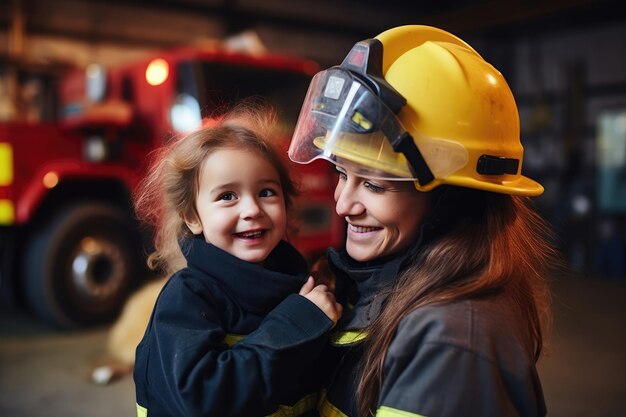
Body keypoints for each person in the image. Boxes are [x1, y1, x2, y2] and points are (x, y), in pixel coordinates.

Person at [288, 25, 562, 417]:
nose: (343, 205)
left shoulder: (453, 342)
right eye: (342, 174)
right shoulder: (391, 280)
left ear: (452, 200)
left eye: (375, 185)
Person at [132, 102, 342, 417]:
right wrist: (299, 322)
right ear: (193, 217)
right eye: (227, 196)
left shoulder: (295, 285)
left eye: (267, 192)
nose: (252, 209)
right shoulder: (187, 298)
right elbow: (203, 400)